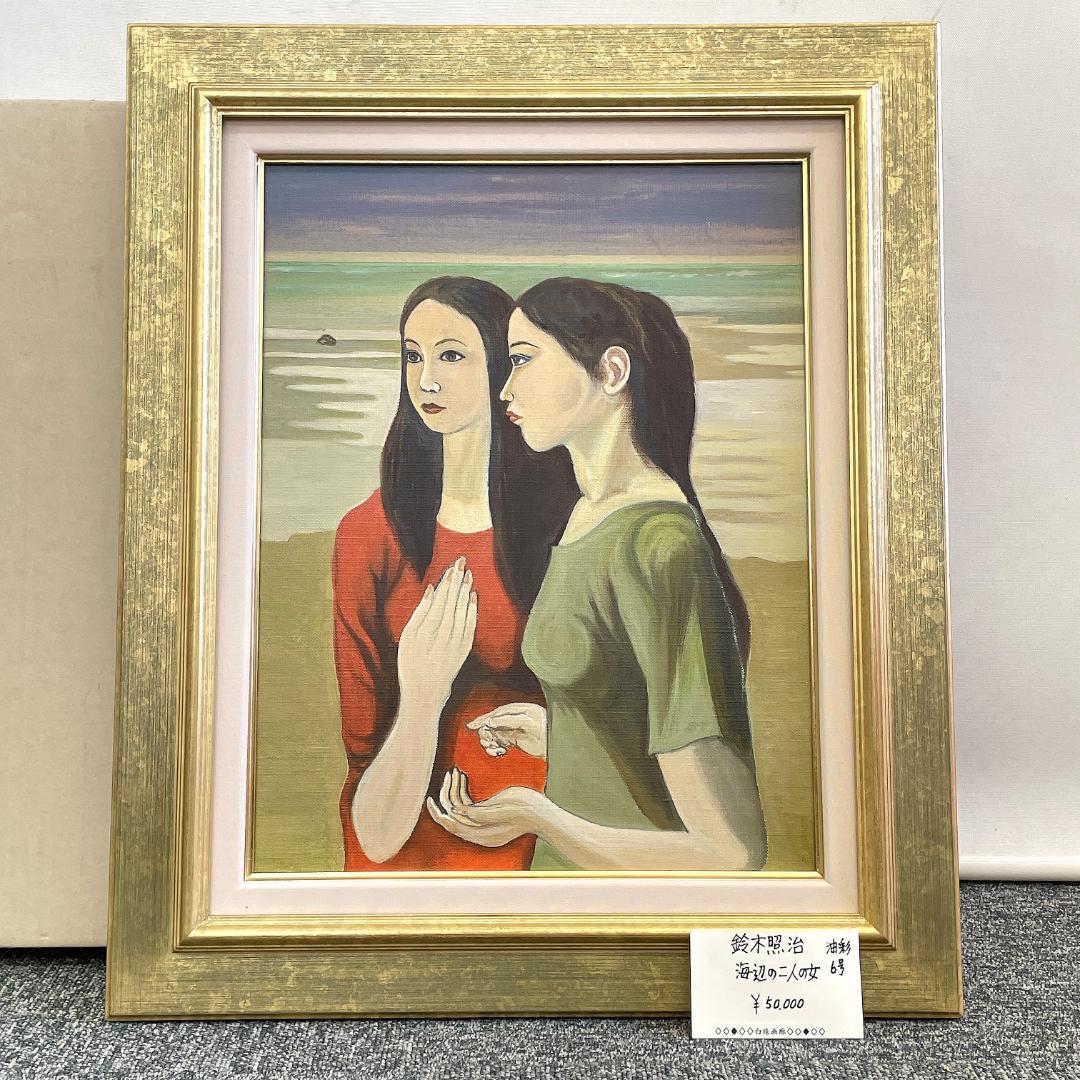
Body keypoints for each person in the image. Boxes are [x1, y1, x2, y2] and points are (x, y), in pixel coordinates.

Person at [425, 277, 767, 871]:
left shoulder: (660, 544)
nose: (505, 389)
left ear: (611, 372)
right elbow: (633, 717)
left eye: (523, 360)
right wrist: (565, 731)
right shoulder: (586, 517)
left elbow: (732, 853)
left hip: (634, 905)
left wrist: (537, 816)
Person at [332, 276, 577, 870]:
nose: (426, 381)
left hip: (543, 837)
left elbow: (623, 729)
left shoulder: (569, 521)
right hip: (400, 840)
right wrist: (422, 693)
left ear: (503, 367)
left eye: (450, 356)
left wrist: (560, 738)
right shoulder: (368, 535)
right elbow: (370, 815)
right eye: (412, 356)